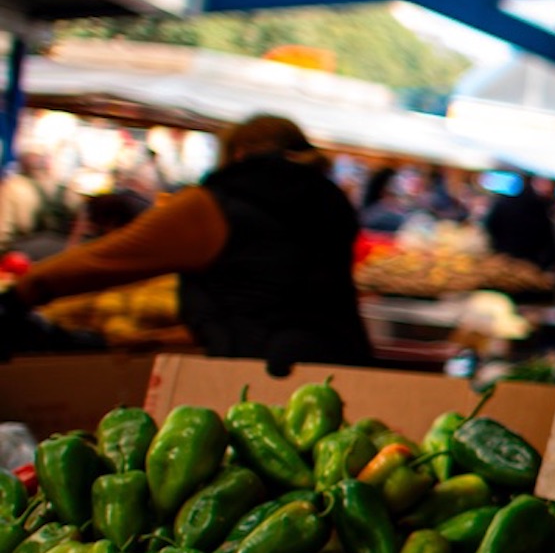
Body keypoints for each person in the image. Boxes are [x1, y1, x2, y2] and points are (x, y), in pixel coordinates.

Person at [2, 114, 372, 371]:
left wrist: (23, 292)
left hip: (259, 377)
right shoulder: (331, 199)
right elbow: (275, 298)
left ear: (238, 153)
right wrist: (155, 339)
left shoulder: (218, 203)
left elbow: (107, 259)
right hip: (342, 364)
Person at [484, 173, 555, 270]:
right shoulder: (540, 207)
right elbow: (547, 237)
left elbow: (490, 225)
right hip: (528, 262)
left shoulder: (505, 201)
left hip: (503, 257)